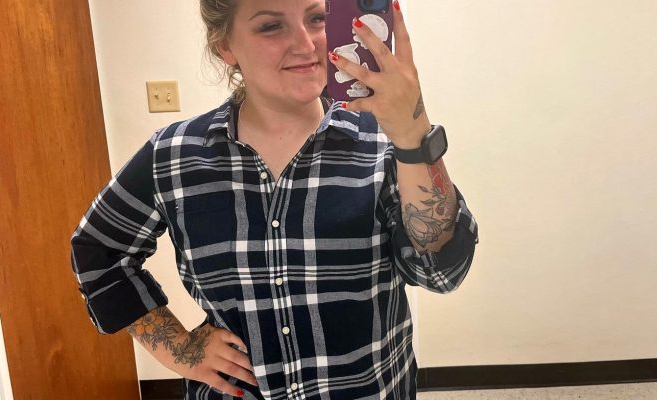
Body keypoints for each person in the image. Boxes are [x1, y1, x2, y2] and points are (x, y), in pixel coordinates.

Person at [70, 0, 478, 399]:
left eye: (316, 18)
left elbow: (441, 273)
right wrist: (179, 350)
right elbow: (98, 250)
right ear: (225, 45)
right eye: (271, 25)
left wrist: (413, 136)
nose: (306, 43)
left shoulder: (380, 143)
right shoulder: (174, 155)